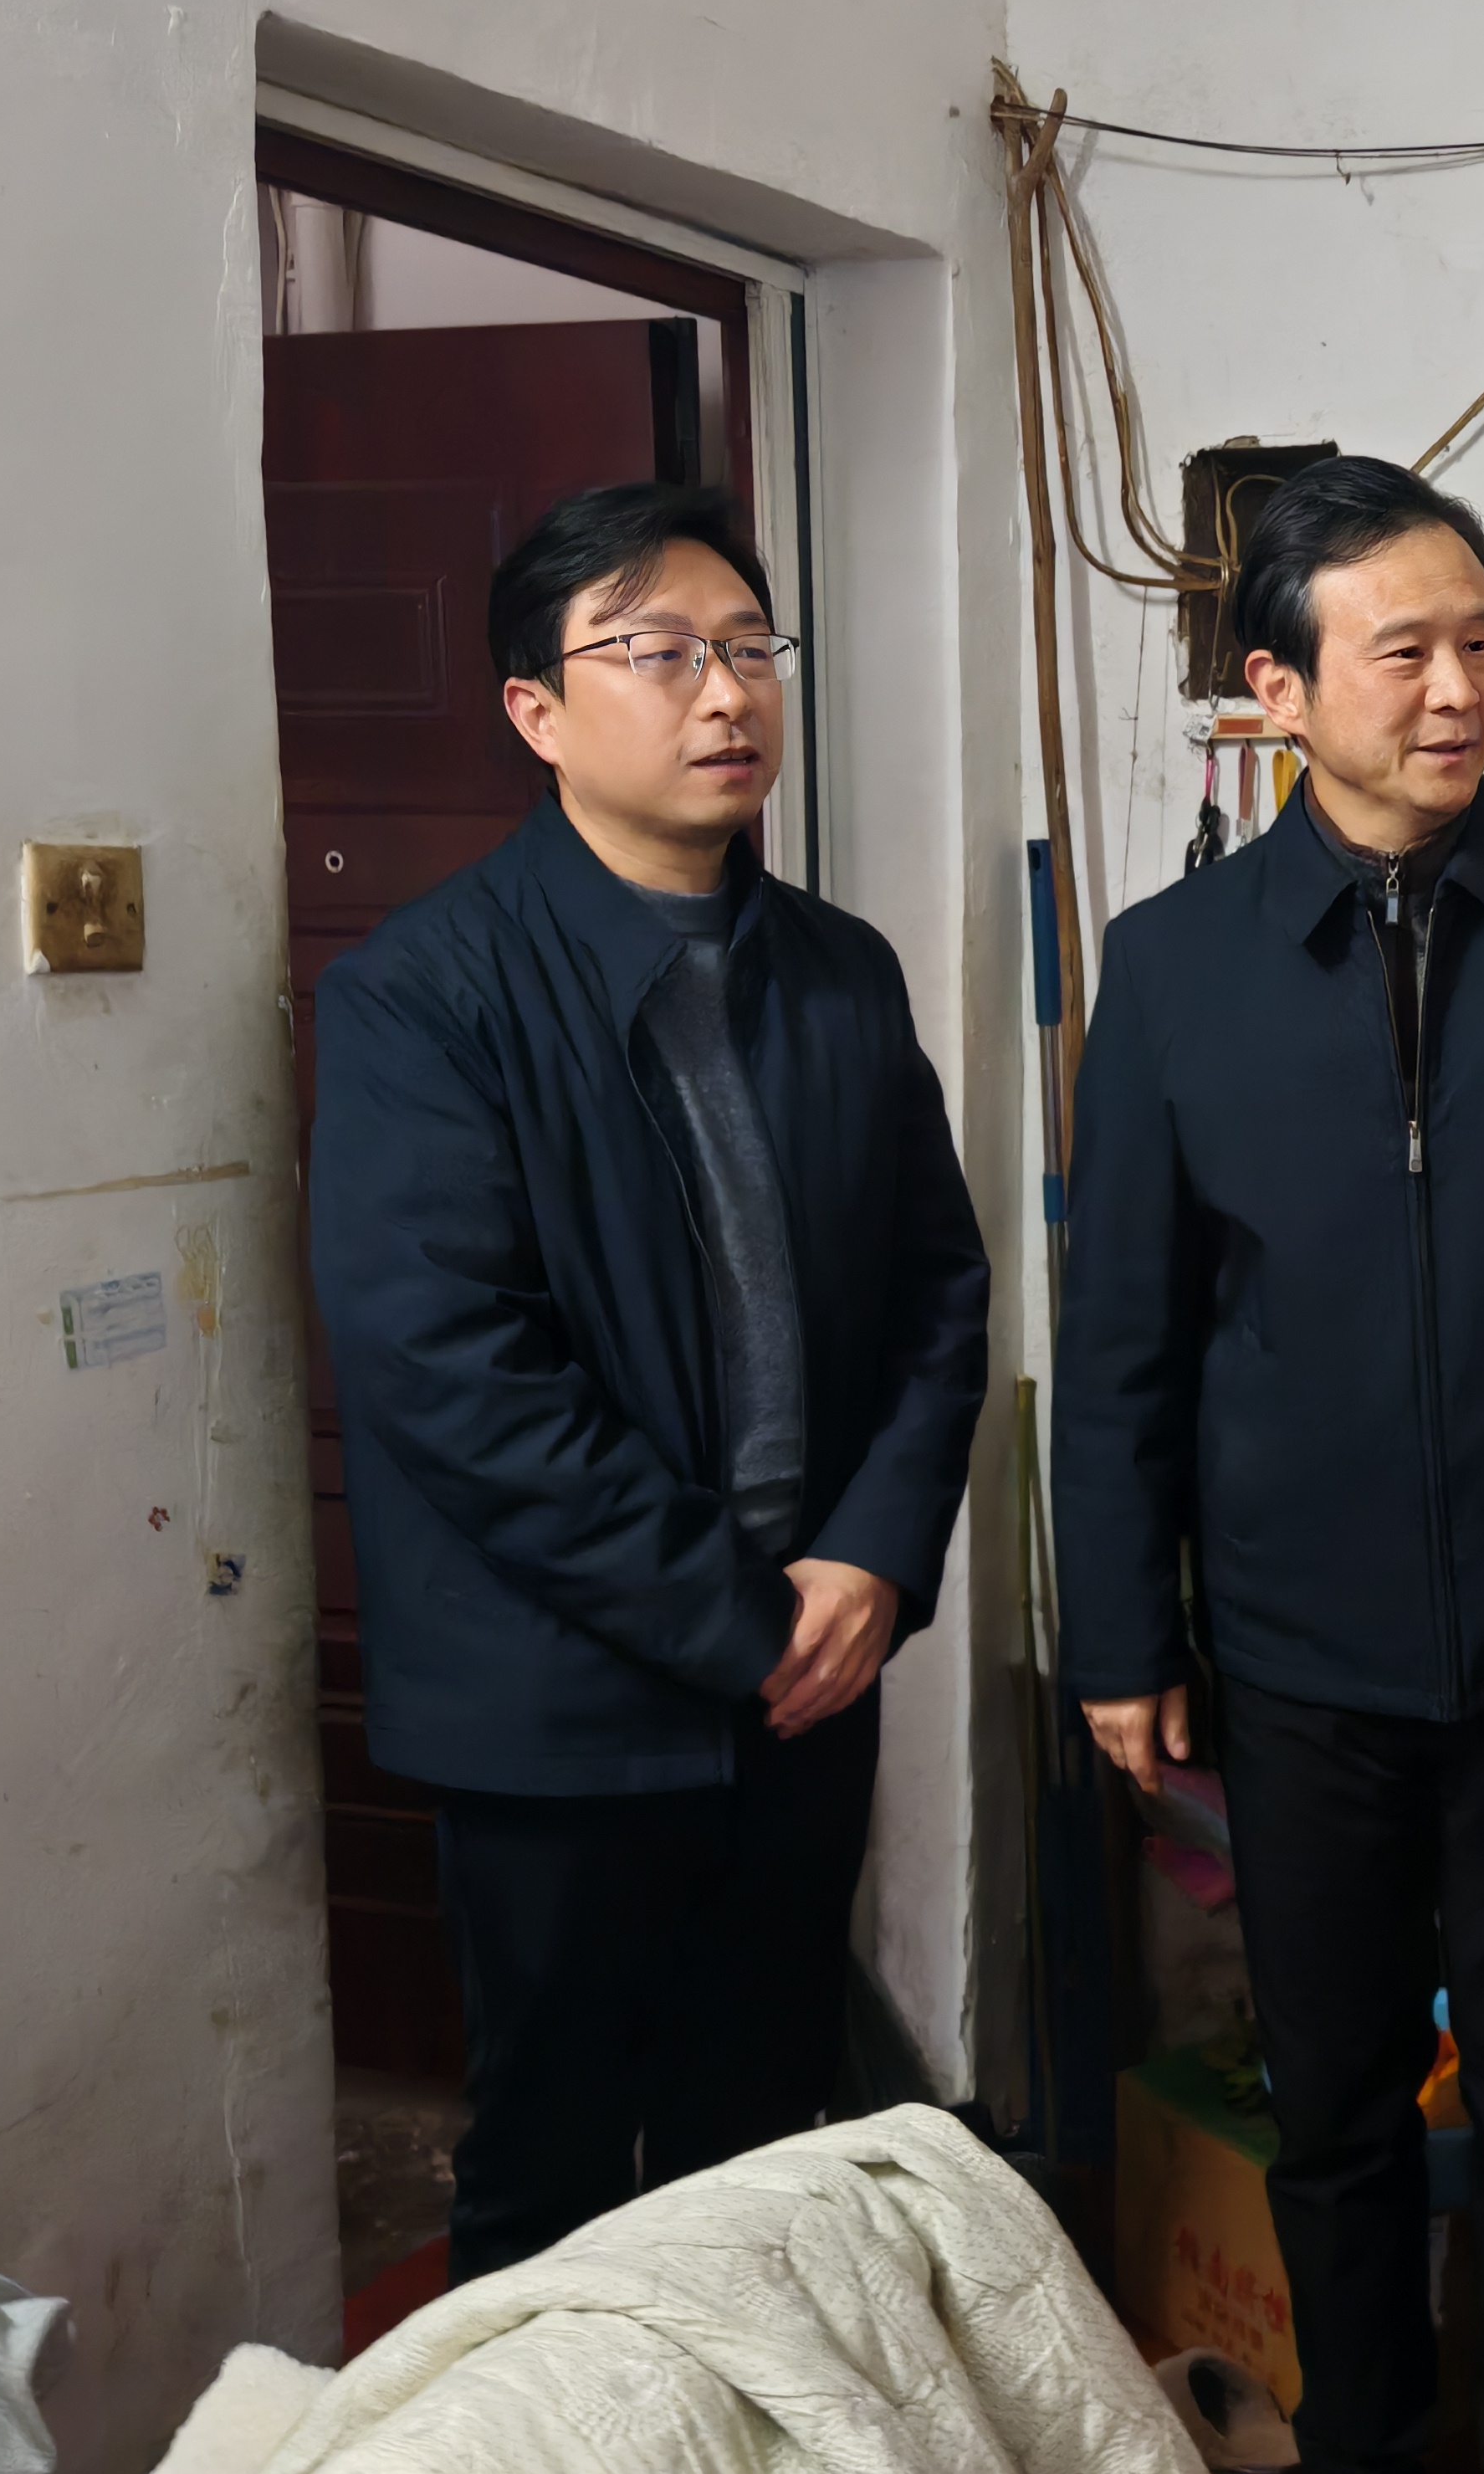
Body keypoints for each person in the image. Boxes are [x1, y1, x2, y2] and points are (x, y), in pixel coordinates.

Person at [1052, 455, 1484, 2474]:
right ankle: (1361, 2439)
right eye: (1401, 654)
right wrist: (1121, 1632)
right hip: (1297, 1665)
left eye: (1479, 644)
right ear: (1276, 690)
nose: (1455, 691)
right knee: (1339, 2107)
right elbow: (1122, 1340)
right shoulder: (1174, 967)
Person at [312, 483, 990, 2282]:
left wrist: (873, 1559)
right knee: (546, 2175)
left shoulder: (839, 974)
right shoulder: (425, 996)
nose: (727, 693)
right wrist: (738, 1618)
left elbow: (938, 1291)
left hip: (807, 1680)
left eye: (750, 647)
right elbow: (454, 1373)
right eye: (661, 653)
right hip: (561, 1702)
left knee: (757, 2150)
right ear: (535, 710)